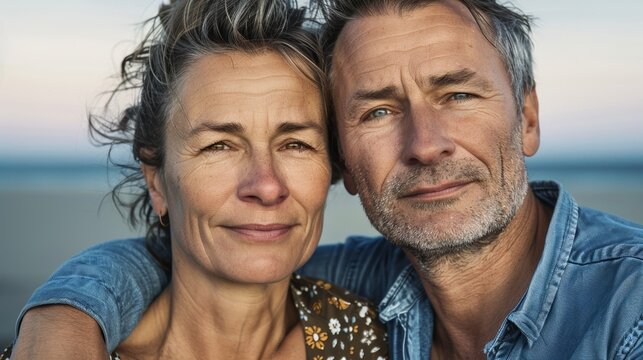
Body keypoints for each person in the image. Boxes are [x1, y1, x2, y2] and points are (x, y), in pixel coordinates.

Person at [10, 0, 643, 359]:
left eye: (456, 94)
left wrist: (61, 317)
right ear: (348, 163)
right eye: (378, 111)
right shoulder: (370, 292)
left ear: (527, 117)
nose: (424, 145)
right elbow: (195, 263)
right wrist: (66, 316)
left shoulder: (628, 310)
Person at [3, 0, 391, 359]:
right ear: (157, 183)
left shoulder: (382, 339)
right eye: (219, 146)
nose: (267, 185)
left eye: (295, 143)